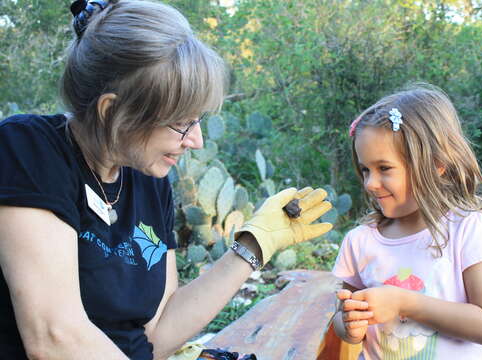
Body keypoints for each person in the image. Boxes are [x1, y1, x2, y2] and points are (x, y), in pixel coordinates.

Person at [0, 1, 333, 359]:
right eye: (181, 122)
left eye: (198, 119)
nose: (197, 140)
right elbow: (54, 338)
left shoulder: (149, 179)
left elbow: (157, 334)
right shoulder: (28, 150)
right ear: (112, 111)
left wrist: (254, 246)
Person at [332, 84, 482, 359]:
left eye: (384, 168)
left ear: (435, 164)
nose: (370, 183)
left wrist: (403, 302)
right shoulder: (360, 241)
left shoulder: (467, 230)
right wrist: (349, 325)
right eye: (365, 169)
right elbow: (340, 317)